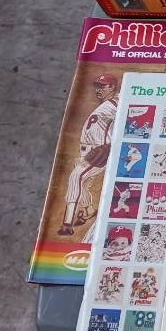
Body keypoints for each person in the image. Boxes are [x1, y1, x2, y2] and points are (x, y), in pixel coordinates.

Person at [58, 74, 119, 236]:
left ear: (112, 87)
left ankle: (67, 224)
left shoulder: (113, 103)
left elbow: (128, 106)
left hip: (99, 151)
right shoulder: (105, 105)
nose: (99, 89)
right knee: (82, 183)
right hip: (87, 151)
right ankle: (89, 210)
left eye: (103, 86)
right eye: (97, 86)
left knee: (75, 177)